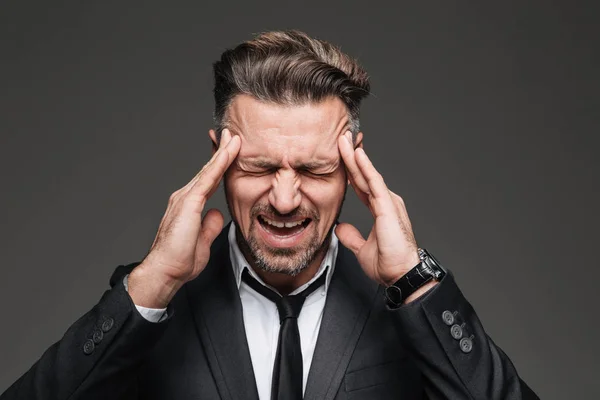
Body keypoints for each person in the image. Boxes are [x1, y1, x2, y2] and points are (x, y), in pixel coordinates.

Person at [1, 30, 539, 400]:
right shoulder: (154, 308)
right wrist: (152, 283)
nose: (284, 200)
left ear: (354, 163)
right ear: (218, 156)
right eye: (258, 167)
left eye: (314, 169)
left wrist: (416, 285)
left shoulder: (404, 307)